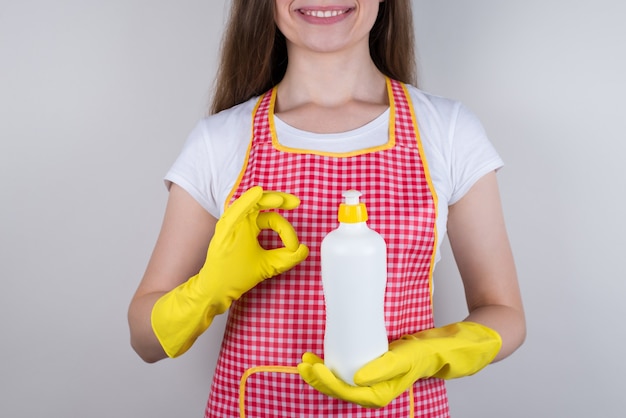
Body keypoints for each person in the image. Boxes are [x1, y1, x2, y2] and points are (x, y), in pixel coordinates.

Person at [128, 1, 526, 417]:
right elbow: (144, 339)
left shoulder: (446, 131)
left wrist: (431, 353)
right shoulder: (220, 140)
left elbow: (505, 313)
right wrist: (208, 289)